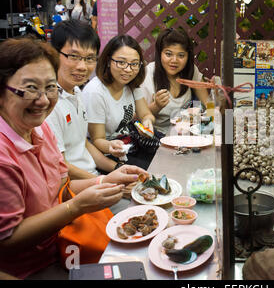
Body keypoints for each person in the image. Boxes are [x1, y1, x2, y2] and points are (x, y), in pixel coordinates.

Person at [0, 37, 147, 279]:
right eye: (30, 88)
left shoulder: (39, 129)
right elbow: (9, 239)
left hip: (66, 241)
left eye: (49, 87)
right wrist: (75, 207)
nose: (44, 100)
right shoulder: (5, 157)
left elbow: (60, 187)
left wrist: (107, 180)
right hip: (36, 266)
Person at [46, 19, 120, 180]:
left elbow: (82, 144)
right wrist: (105, 181)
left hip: (93, 177)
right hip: (74, 187)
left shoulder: (77, 91)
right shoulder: (48, 104)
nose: (82, 66)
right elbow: (61, 165)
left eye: (89, 58)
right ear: (54, 54)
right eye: (74, 56)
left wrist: (118, 168)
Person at [82, 34, 156, 170]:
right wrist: (112, 147)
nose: (128, 69)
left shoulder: (131, 85)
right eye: (121, 62)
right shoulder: (95, 92)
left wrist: (147, 122)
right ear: (108, 61)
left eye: (134, 64)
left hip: (130, 144)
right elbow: (97, 140)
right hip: (107, 154)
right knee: (152, 172)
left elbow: (146, 114)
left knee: (164, 159)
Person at [140, 28, 209, 135]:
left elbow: (209, 104)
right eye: (168, 54)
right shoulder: (148, 74)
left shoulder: (191, 71)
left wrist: (218, 101)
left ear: (188, 56)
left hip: (185, 134)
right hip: (155, 137)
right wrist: (156, 106)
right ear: (160, 54)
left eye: (181, 55)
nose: (174, 60)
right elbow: (137, 116)